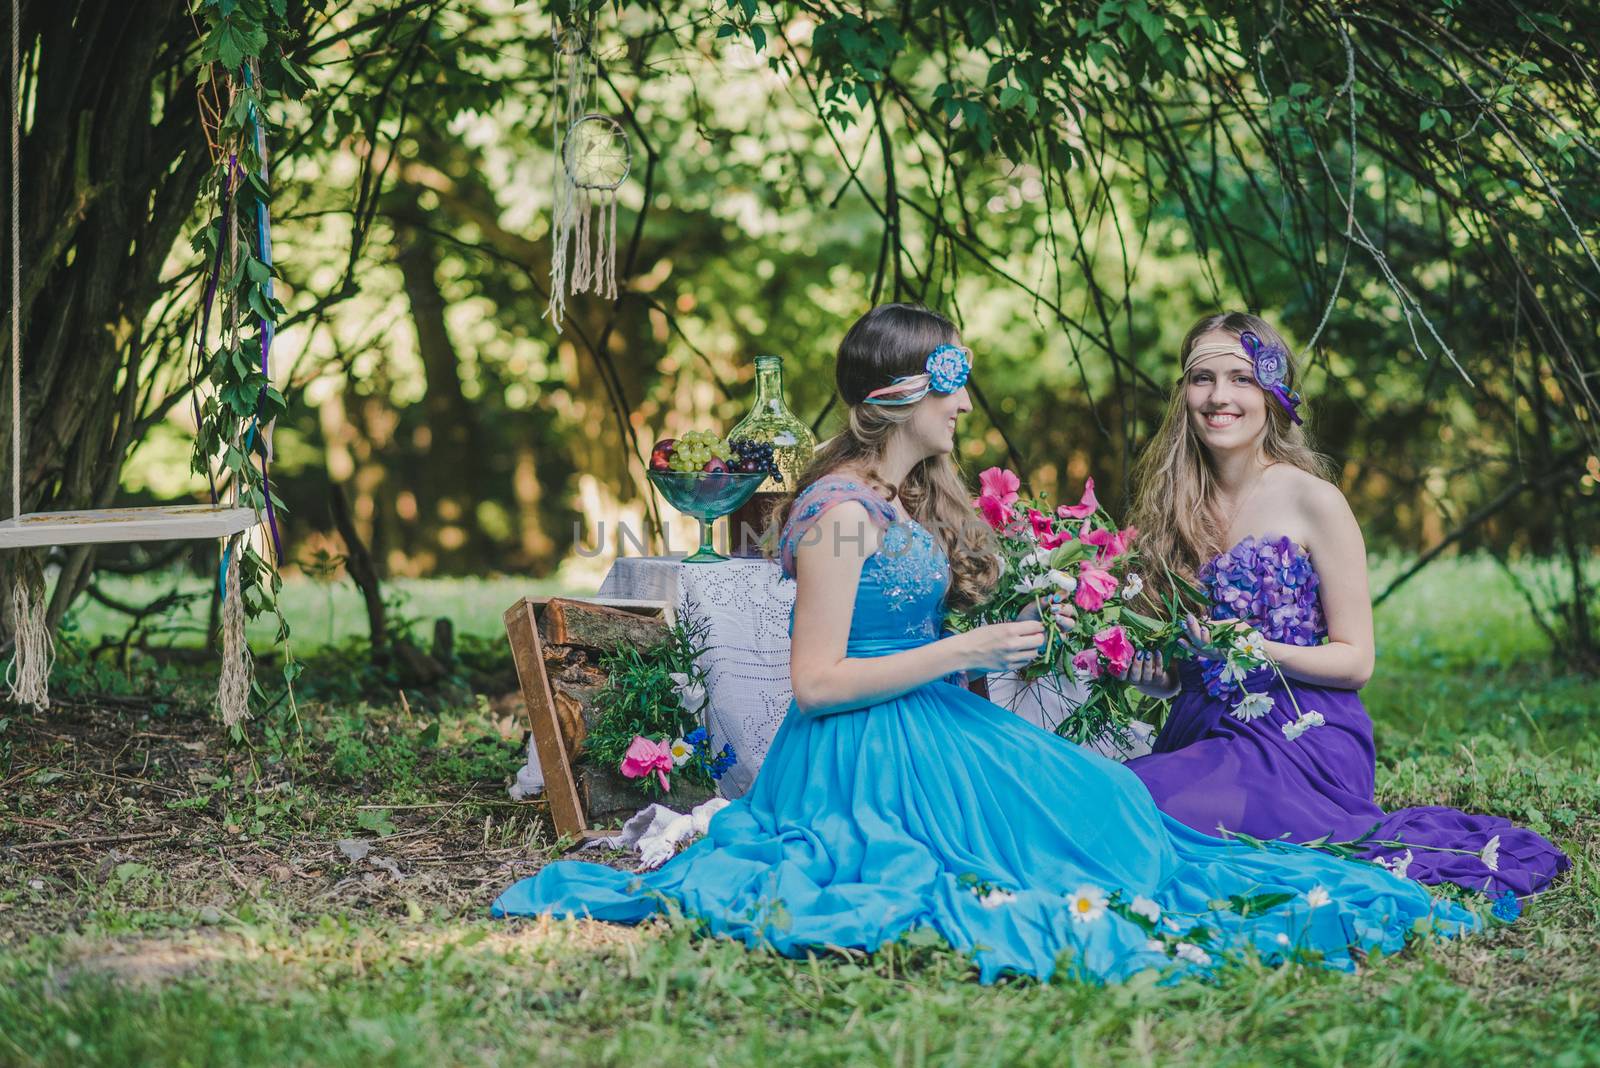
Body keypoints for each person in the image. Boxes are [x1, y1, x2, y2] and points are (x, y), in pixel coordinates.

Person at [492, 303, 1478, 983]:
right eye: (952, 383)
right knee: (1073, 837)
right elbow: (820, 682)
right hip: (860, 756)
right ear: (898, 395)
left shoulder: (889, 495)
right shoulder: (839, 513)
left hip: (926, 723)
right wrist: (965, 656)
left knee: (1101, 803)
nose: (967, 404)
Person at [1121, 312, 1568, 899]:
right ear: (1183, 393)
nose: (1219, 396)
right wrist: (1163, 683)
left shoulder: (1315, 500)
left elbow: (1356, 661)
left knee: (1154, 809)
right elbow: (1196, 661)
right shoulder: (1170, 511)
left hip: (1303, 731)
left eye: (1240, 378)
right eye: (1202, 378)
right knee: (1120, 795)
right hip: (1202, 727)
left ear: (1272, 391)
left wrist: (1254, 648)